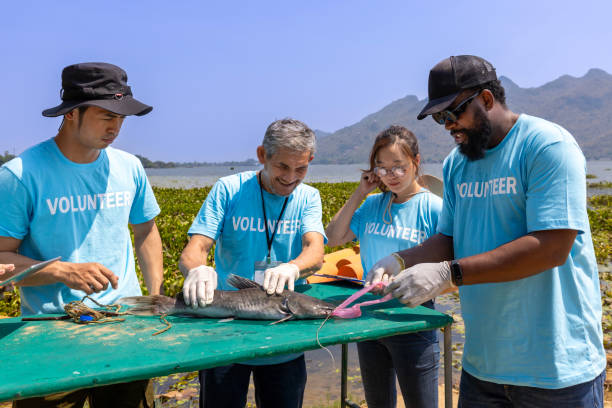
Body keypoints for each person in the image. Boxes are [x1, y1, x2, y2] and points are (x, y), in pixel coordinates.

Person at [370, 55, 606, 407]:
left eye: (453, 112)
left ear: (486, 99)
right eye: (439, 118)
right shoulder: (457, 164)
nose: (448, 125)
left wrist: (448, 275)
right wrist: (399, 260)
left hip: (556, 369)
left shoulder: (546, 146)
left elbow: (552, 246)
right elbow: (449, 238)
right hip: (483, 368)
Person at [0, 62, 163, 407]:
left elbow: (146, 230)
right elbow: (1, 258)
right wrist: (63, 271)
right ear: (72, 113)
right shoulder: (20, 175)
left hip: (125, 325)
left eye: (121, 117)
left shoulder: (129, 167)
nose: (116, 127)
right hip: (50, 334)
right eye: (106, 115)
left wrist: (157, 298)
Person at [179, 118, 326, 408]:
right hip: (225, 334)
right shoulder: (229, 189)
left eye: (301, 168)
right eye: (282, 166)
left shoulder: (308, 197)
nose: (291, 177)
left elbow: (315, 250)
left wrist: (294, 267)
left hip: (284, 336)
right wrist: (196, 269)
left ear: (310, 160)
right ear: (262, 155)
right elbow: (196, 247)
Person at [325, 125, 442, 408]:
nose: (391, 175)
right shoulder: (372, 205)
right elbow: (334, 238)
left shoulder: (433, 208)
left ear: (415, 162)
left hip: (413, 319)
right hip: (368, 316)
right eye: (382, 167)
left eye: (399, 167)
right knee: (378, 402)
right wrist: (359, 193)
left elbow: (446, 261)